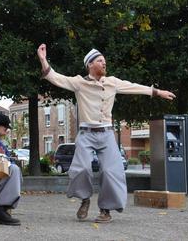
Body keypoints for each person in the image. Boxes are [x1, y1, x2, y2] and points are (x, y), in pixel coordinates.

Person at [37, 44, 176, 223]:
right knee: (82, 168)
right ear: (90, 65)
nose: (104, 63)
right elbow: (55, 77)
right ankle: (85, 199)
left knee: (112, 171)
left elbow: (134, 86)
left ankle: (105, 210)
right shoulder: (79, 83)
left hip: (107, 134)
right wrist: (43, 60)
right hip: (86, 134)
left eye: (104, 60)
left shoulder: (112, 82)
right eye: (100, 61)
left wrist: (158, 92)